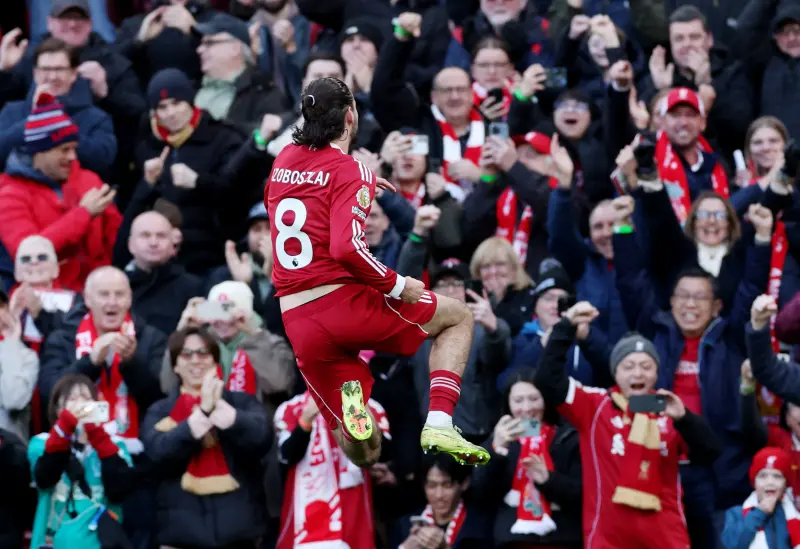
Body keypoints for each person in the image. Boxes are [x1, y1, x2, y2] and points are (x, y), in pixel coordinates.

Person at [266, 76, 489, 466]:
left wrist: (361, 183)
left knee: (366, 454)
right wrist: (398, 285)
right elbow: (346, 248)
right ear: (350, 117)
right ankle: (439, 422)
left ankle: (356, 420)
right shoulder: (349, 169)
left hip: (298, 319)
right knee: (458, 318)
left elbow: (303, 198)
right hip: (342, 303)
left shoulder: (283, 160)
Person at [534, 301, 721, 549]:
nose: (638, 374)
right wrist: (567, 325)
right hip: (608, 540)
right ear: (616, 373)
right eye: (628, 366)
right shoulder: (595, 405)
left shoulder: (669, 409)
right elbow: (547, 380)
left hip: (666, 538)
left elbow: (710, 452)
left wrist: (685, 419)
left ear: (656, 374)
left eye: (646, 366)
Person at [0, 94, 121, 292]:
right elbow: (29, 254)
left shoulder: (88, 180)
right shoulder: (9, 194)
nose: (73, 157)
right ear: (40, 152)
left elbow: (117, 239)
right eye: (64, 150)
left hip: (100, 295)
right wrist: (83, 215)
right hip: (45, 297)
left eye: (74, 149)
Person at [471, 370, 582, 548]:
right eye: (518, 400)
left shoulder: (567, 438)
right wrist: (497, 450)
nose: (527, 408)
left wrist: (549, 480)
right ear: (508, 404)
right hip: (512, 540)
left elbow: (583, 494)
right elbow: (481, 494)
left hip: (560, 538)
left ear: (546, 399)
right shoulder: (499, 439)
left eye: (534, 399)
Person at [28, 373, 135, 549]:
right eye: (71, 400)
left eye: (86, 399)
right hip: (53, 540)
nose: (80, 406)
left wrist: (99, 438)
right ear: (57, 410)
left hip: (101, 541)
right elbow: (45, 479)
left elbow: (118, 492)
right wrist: (64, 430)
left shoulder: (116, 446)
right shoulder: (41, 443)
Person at [274, 391, 391, 549]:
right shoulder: (290, 408)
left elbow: (384, 454)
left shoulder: (370, 406)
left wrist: (358, 415)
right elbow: (286, 457)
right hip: (306, 517)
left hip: (352, 512)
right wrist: (306, 420)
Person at [0, 37, 116, 176]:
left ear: (73, 74)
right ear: (35, 73)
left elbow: (104, 159)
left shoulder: (96, 117)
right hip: (19, 187)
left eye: (59, 69)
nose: (52, 76)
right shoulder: (12, 111)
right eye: (45, 69)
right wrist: (35, 120)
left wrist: (58, 123)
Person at [721, 447, 800, 549]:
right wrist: (759, 512)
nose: (770, 482)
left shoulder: (793, 515)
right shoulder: (736, 513)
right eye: (763, 476)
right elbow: (733, 545)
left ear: (785, 484)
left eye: (777, 476)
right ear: (754, 482)